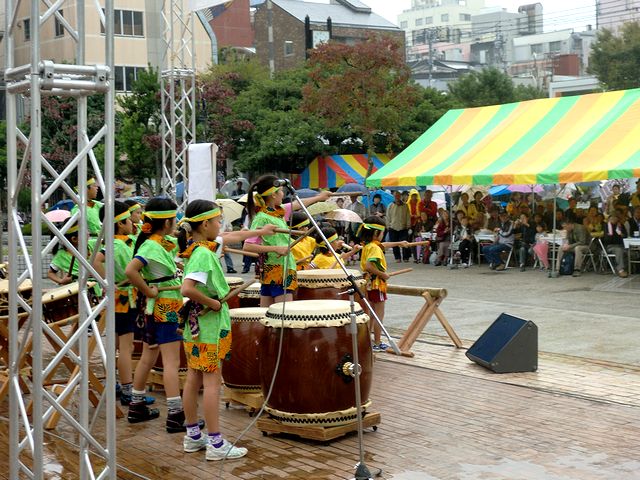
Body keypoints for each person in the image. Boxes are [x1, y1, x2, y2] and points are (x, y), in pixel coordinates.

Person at [176, 199, 249, 461]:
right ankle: (216, 443)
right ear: (205, 224)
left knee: (194, 377)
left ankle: (194, 436)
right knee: (212, 383)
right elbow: (187, 288)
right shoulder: (203, 254)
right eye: (218, 221)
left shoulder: (198, 249)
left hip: (196, 329)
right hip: (206, 329)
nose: (221, 224)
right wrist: (214, 302)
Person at [125, 197, 189, 431]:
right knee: (171, 362)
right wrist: (148, 290)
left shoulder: (158, 242)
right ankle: (175, 416)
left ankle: (136, 406)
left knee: (148, 357)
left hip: (156, 308)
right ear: (168, 221)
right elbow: (131, 270)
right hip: (166, 306)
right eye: (175, 219)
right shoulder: (151, 245)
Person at [93, 201, 154, 407]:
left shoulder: (116, 242)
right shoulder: (119, 245)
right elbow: (95, 262)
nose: (132, 222)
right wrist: (111, 283)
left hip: (121, 297)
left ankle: (116, 383)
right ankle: (128, 389)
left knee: (118, 344)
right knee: (126, 347)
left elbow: (97, 261)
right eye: (128, 219)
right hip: (125, 298)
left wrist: (108, 283)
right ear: (120, 224)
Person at [243, 174, 331, 307]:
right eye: (281, 191)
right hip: (276, 269)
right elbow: (247, 246)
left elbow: (297, 204)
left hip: (283, 268)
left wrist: (320, 197)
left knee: (268, 314)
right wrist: (275, 248)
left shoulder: (279, 212)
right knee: (281, 314)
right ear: (273, 194)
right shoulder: (262, 217)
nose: (283, 194)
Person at [358, 217, 389, 352]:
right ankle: (377, 342)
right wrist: (383, 275)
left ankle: (368, 341)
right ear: (376, 234)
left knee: (370, 313)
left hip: (368, 283)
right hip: (377, 283)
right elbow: (369, 266)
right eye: (382, 233)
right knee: (378, 314)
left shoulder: (367, 246)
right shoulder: (375, 248)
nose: (383, 236)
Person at [387, 191, 412, 263]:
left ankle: (405, 257)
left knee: (405, 243)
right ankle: (397, 257)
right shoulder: (390, 205)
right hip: (393, 227)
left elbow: (408, 216)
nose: (397, 197)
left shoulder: (405, 206)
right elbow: (388, 217)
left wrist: (408, 225)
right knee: (394, 243)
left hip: (403, 227)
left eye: (398, 196)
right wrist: (388, 226)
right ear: (394, 197)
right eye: (395, 196)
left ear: (400, 196)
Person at [602, 211, 629, 278]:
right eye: (612, 217)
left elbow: (625, 236)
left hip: (621, 245)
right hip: (610, 246)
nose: (613, 219)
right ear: (609, 218)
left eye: (615, 217)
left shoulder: (620, 225)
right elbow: (607, 240)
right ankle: (620, 270)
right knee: (619, 250)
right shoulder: (606, 226)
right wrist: (618, 236)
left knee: (630, 251)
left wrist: (619, 235)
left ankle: (630, 268)